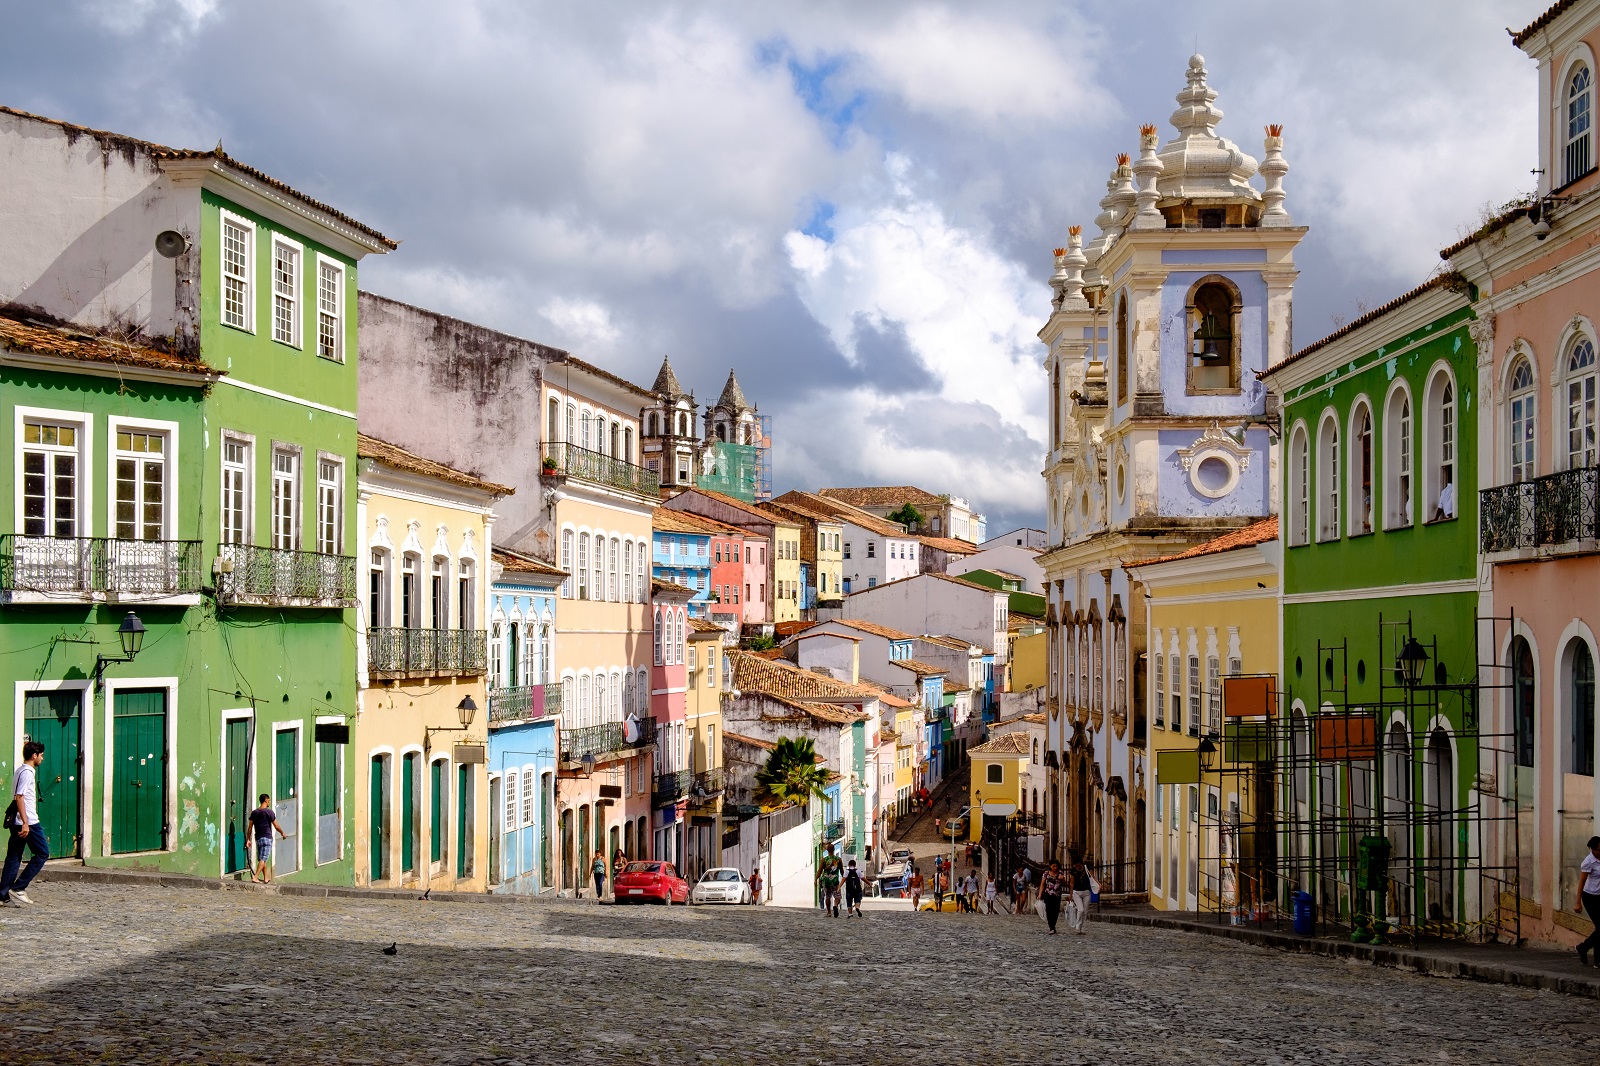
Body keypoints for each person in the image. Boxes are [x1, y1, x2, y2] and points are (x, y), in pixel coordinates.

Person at [0, 741, 47, 907]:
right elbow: (19, 797)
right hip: (28, 822)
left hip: (18, 821)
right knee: (42, 853)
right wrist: (26, 823)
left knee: (13, 857)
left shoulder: (20, 770)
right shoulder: (28, 772)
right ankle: (19, 887)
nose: (42, 758)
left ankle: (2, 895)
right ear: (34, 755)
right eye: (41, 755)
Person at [246, 793, 287, 884]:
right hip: (267, 838)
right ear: (266, 800)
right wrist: (282, 833)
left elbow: (249, 827)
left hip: (258, 838)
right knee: (263, 859)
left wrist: (248, 839)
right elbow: (276, 825)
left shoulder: (254, 812)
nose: (269, 802)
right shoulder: (269, 812)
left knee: (262, 858)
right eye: (269, 800)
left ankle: (266, 878)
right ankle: (255, 877)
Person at [1577, 835, 1600, 965]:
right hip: (1590, 896)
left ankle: (1597, 960)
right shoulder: (1588, 862)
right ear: (1593, 850)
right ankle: (1583, 947)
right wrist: (1577, 902)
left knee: (1599, 929)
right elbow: (1581, 882)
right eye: (1599, 850)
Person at [1067, 856, 1093, 935]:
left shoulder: (1087, 868)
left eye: (1078, 864)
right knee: (1080, 909)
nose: (1077, 866)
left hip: (1086, 892)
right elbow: (1072, 883)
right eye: (1076, 865)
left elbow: (1092, 878)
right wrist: (1070, 894)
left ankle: (1083, 927)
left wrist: (1098, 885)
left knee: (1085, 911)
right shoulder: (1073, 871)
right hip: (1076, 892)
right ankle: (1078, 926)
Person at [818, 843, 843, 917]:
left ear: (827, 850)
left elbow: (820, 870)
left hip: (826, 881)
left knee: (827, 897)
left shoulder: (824, 860)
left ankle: (829, 912)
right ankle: (835, 905)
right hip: (835, 880)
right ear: (834, 849)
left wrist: (816, 878)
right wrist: (844, 878)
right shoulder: (838, 860)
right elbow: (841, 870)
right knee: (837, 896)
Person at [1038, 861, 1063, 934]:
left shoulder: (1060, 873)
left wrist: (1062, 879)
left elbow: (1065, 884)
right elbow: (1042, 884)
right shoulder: (1046, 873)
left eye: (1056, 866)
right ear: (1050, 866)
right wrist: (1040, 894)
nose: (1055, 868)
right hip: (1048, 894)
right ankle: (1051, 927)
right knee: (1049, 910)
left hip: (1057, 894)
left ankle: (1054, 925)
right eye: (1053, 866)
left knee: (1055, 911)